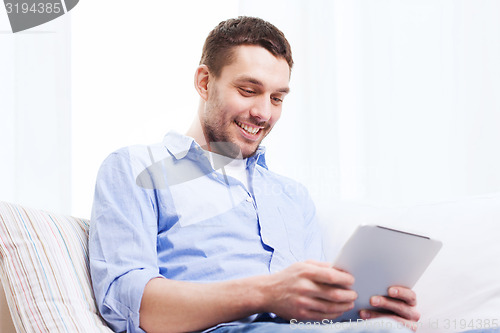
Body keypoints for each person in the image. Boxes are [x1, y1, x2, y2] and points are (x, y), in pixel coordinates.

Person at [89, 16, 420, 333]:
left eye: (276, 98)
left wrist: (363, 312)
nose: (264, 113)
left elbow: (313, 318)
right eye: (249, 90)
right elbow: (127, 305)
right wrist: (265, 293)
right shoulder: (134, 167)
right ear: (205, 82)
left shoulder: (293, 197)